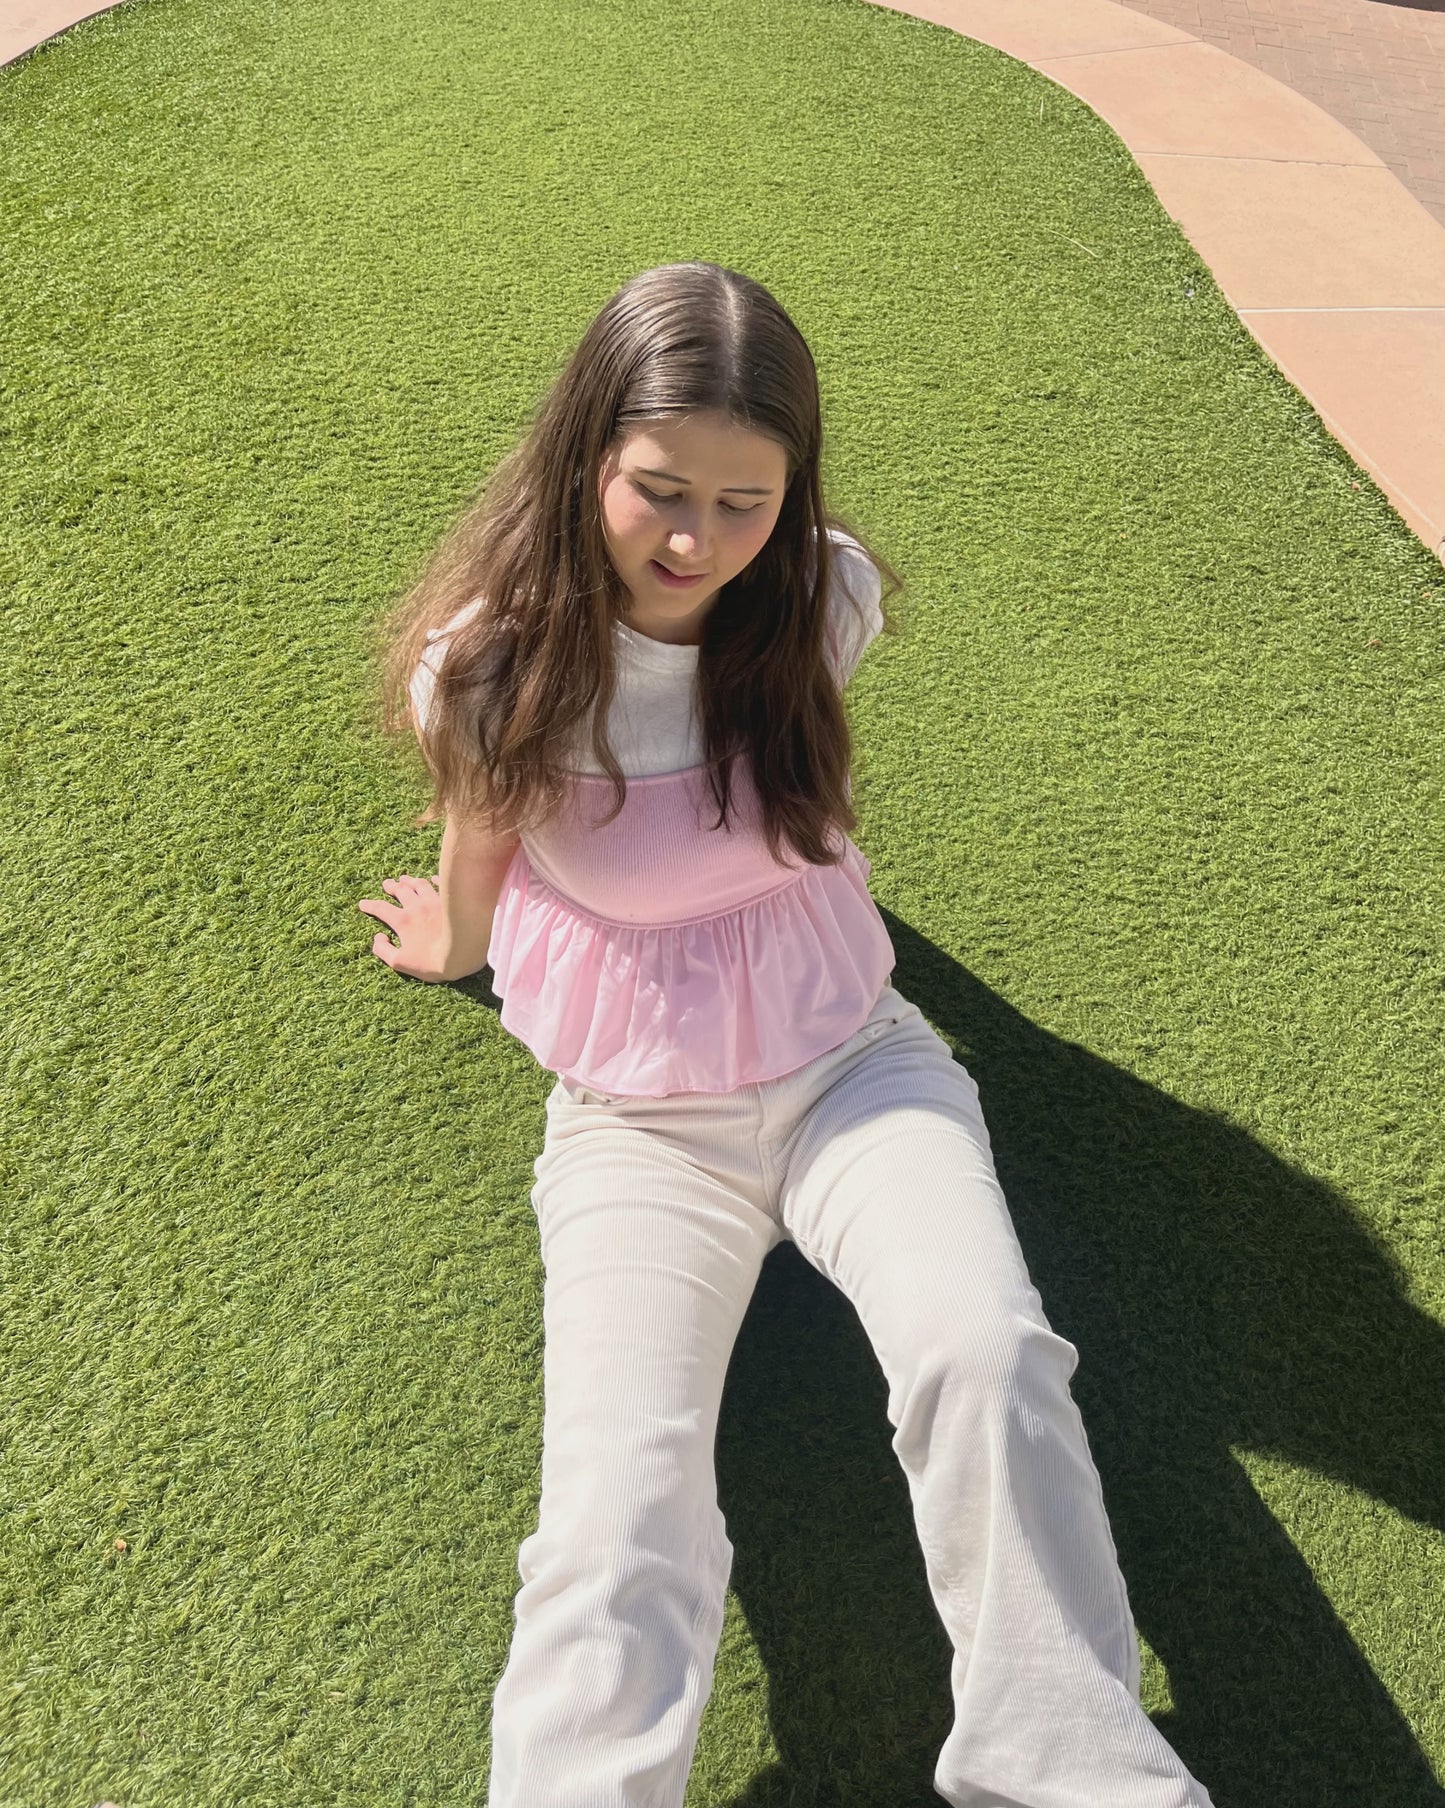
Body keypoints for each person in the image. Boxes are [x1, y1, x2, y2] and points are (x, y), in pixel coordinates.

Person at [358, 261, 1216, 1808]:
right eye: (658, 490)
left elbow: (777, 803)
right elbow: (480, 830)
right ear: (584, 459)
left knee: (989, 1356)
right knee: (613, 1514)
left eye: (743, 500)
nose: (695, 541)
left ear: (792, 490)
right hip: (633, 1120)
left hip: (852, 1065)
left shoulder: (818, 599)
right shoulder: (490, 668)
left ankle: (1068, 1769)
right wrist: (461, 943)